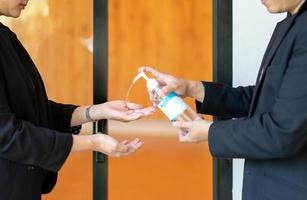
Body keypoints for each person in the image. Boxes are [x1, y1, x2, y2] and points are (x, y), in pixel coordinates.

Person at [140, 0, 307, 199]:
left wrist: (210, 133)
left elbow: (282, 132)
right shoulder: (292, 23)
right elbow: (267, 98)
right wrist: (191, 88)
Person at [0, 0, 155, 199]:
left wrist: (97, 111)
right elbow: (7, 134)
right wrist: (93, 142)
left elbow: (31, 111)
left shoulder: (5, 36)